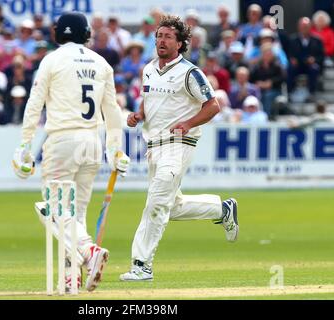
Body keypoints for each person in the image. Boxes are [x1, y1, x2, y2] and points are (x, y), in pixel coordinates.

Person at [12, 12, 130, 292]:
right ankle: (71, 278)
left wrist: (24, 145)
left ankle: (89, 252)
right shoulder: (101, 63)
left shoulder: (52, 59)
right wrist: (116, 149)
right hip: (93, 142)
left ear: (60, 32)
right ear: (85, 33)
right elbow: (112, 110)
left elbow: (34, 103)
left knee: (53, 209)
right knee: (74, 216)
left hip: (62, 140)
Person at [121, 15, 239, 282]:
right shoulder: (149, 68)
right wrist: (138, 115)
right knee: (171, 207)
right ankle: (222, 209)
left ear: (181, 43)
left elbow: (213, 106)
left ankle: (142, 265)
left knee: (155, 204)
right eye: (159, 36)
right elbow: (148, 101)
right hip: (154, 145)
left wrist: (188, 123)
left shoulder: (190, 72)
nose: (161, 41)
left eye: (167, 37)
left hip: (178, 145)